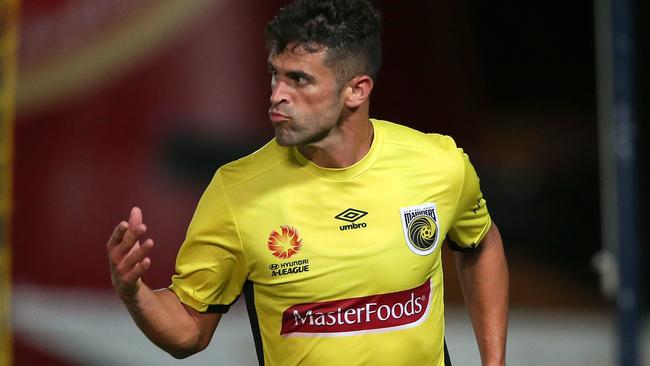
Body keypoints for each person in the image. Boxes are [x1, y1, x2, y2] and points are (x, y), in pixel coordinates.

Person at [106, 0, 509, 365]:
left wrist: (494, 361)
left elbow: (480, 242)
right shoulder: (237, 191)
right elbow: (189, 332)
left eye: (299, 80)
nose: (277, 95)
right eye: (274, 75)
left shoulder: (438, 165)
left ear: (356, 90)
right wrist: (133, 292)